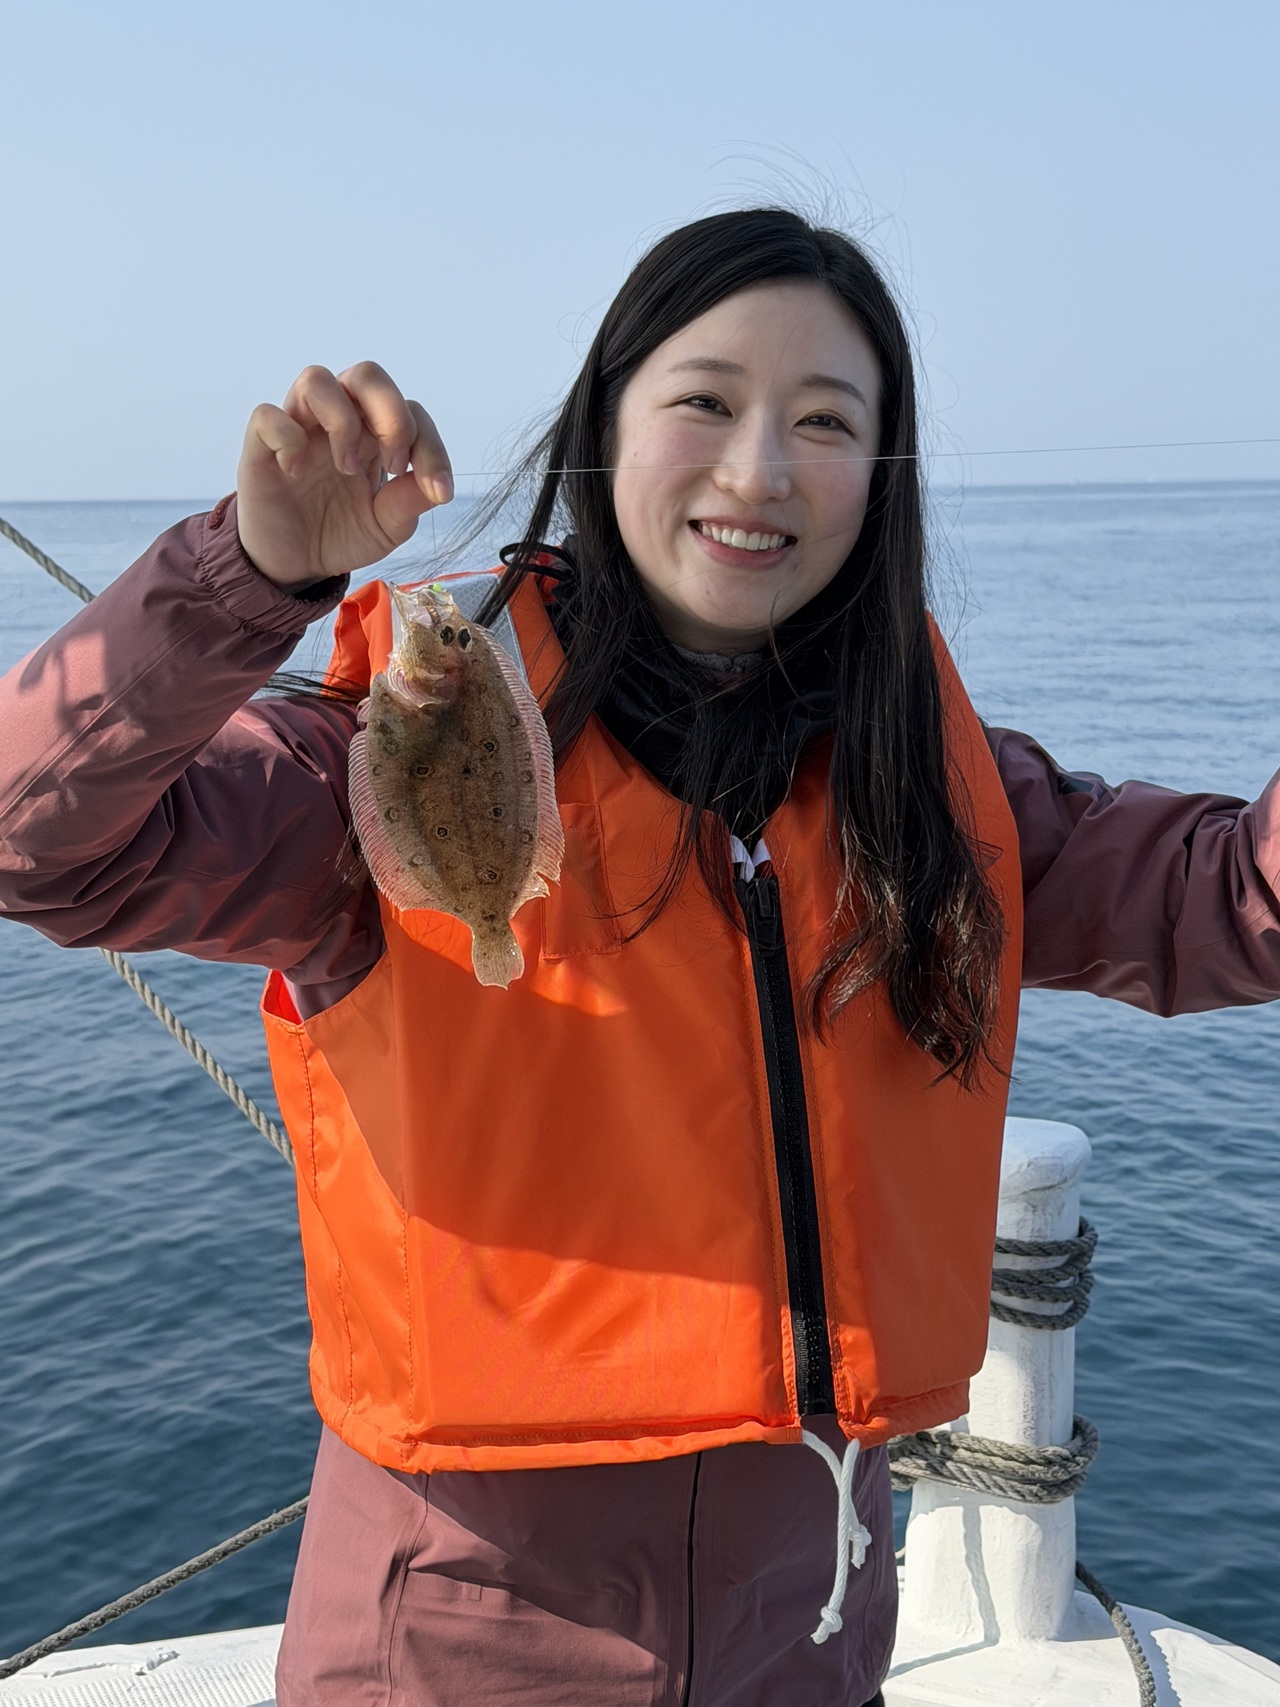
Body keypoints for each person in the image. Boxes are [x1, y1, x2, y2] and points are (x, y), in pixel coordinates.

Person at [3, 208, 1280, 1707]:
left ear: (883, 477)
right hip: (460, 1636)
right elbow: (41, 844)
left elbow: (1223, 900)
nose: (758, 470)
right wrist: (249, 575)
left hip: (809, 1627)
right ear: (604, 423)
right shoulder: (381, 744)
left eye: (826, 422)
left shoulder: (926, 790)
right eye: (705, 401)